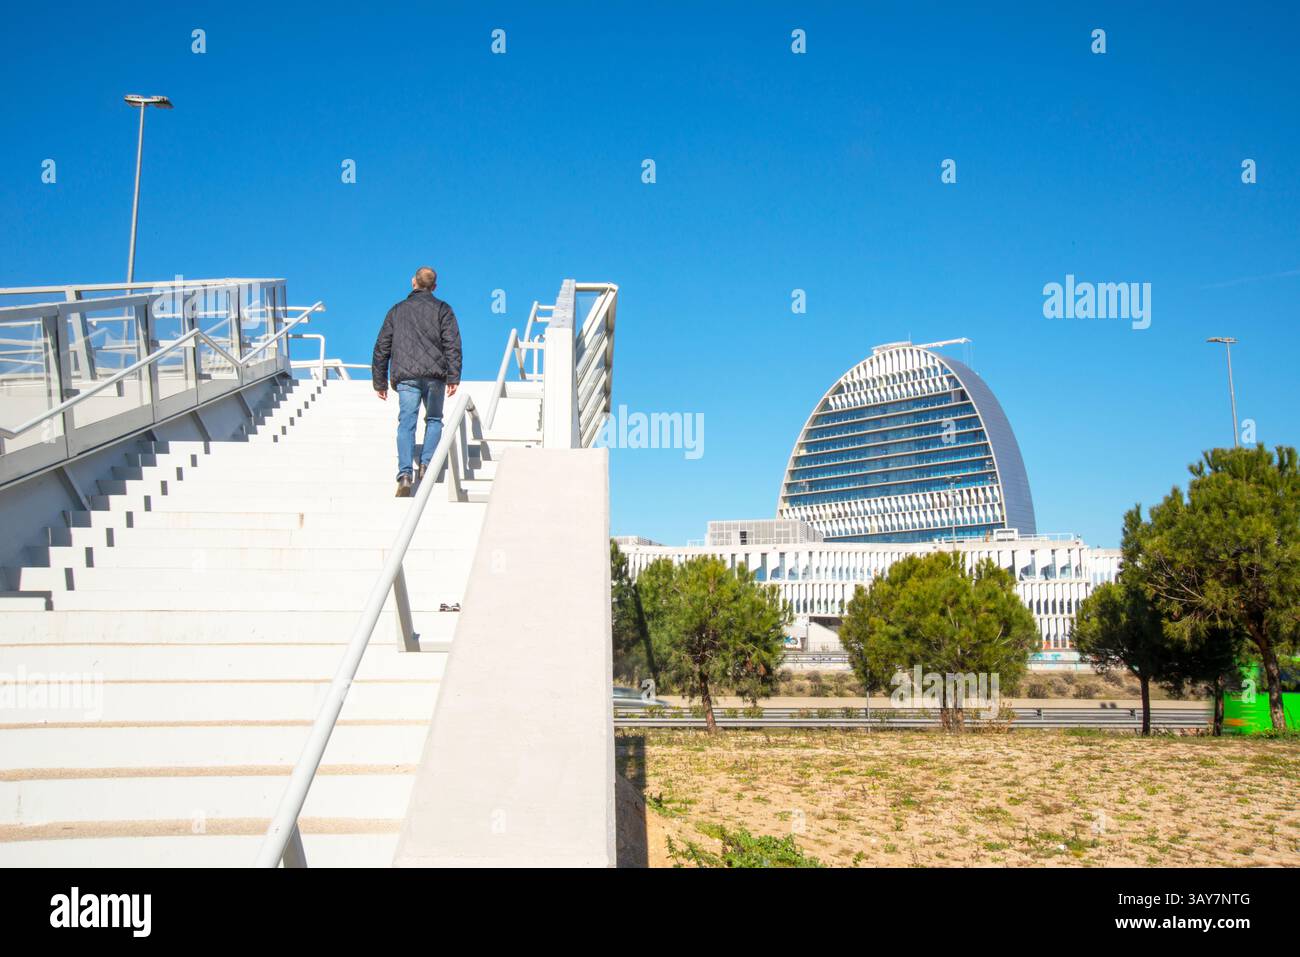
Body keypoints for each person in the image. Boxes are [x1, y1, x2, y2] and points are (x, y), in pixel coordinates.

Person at [371, 266, 463, 497]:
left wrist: (379, 381)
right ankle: (426, 464)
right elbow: (452, 344)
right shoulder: (443, 309)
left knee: (406, 423)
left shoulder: (396, 311)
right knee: (434, 419)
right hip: (435, 376)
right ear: (434, 286)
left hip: (406, 377)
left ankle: (404, 474)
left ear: (413, 282)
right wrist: (454, 376)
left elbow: (382, 347)